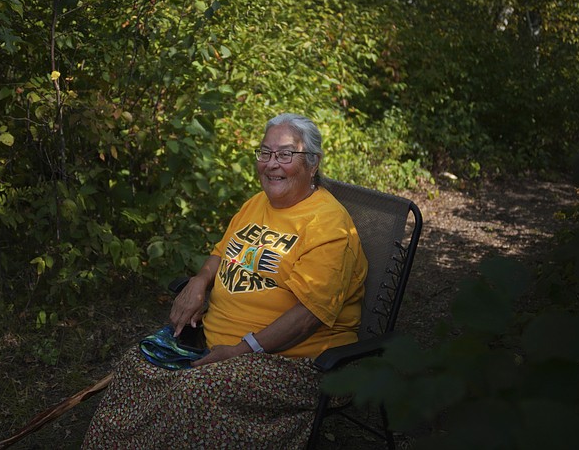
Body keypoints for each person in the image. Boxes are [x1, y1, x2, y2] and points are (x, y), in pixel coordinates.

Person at [82, 113, 367, 449]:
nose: (272, 164)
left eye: (286, 154)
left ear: (313, 163)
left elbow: (308, 317)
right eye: (265, 153)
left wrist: (240, 350)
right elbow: (222, 252)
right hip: (217, 345)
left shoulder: (329, 227)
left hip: (296, 363)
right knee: (136, 365)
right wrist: (199, 281)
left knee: (194, 391)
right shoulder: (258, 203)